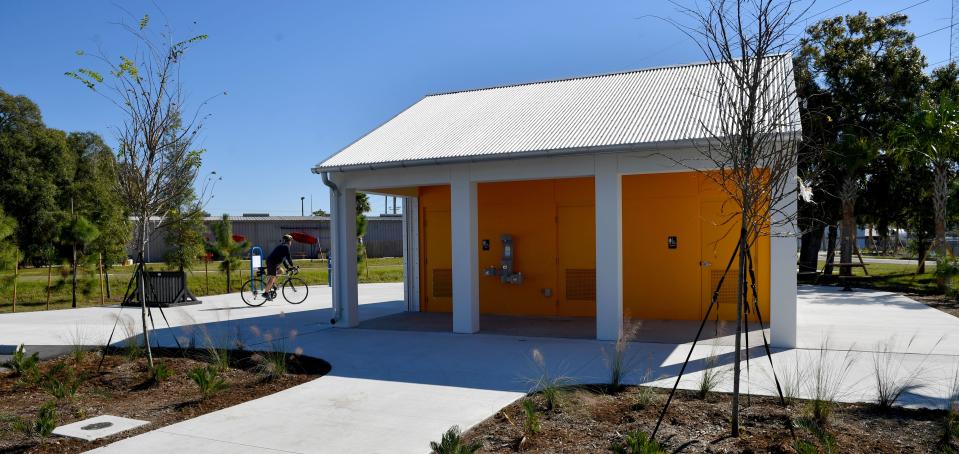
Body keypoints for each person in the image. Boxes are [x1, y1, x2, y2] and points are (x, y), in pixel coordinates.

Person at [263, 234, 296, 300]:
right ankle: (266, 293)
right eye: (291, 241)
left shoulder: (283, 246)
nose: (291, 242)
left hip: (273, 263)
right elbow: (289, 258)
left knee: (281, 271)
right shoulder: (285, 247)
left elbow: (284, 260)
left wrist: (288, 267)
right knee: (272, 277)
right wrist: (293, 266)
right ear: (288, 241)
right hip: (272, 263)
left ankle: (272, 284)